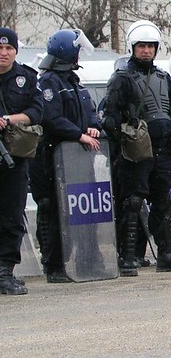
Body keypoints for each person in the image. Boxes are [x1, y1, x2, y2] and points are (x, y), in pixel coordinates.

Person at [104, 20, 171, 276]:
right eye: (141, 46)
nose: (146, 50)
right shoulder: (121, 79)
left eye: (150, 46)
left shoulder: (164, 78)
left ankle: (166, 255)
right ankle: (128, 256)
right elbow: (110, 117)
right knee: (132, 202)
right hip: (136, 152)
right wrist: (129, 138)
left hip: (163, 150)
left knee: (163, 202)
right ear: (133, 47)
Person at [30, 29, 101, 283]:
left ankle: (87, 258)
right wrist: (78, 135)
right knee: (50, 208)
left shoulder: (73, 81)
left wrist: (93, 127)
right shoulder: (49, 81)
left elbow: (90, 111)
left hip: (74, 160)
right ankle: (54, 264)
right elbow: (51, 118)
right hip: (50, 157)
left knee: (81, 208)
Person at [0, 27, 43, 295]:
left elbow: (37, 111)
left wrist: (8, 120)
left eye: (8, 49)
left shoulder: (25, 78)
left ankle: (5, 270)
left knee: (12, 216)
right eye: (0, 49)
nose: (3, 53)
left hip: (14, 157)